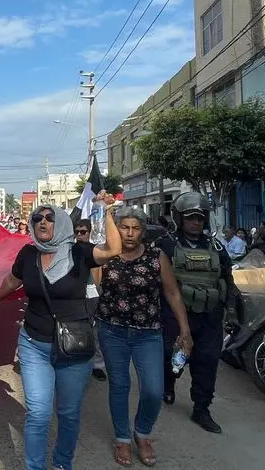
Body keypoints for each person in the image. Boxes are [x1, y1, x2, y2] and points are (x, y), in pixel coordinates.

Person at [0, 193, 121, 470]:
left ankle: (62, 463)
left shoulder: (79, 252)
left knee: (68, 413)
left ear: (60, 222)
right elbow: (13, 279)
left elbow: (113, 250)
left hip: (74, 346)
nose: (42, 222)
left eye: (49, 218)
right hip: (34, 343)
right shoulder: (28, 253)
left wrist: (106, 212)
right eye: (37, 218)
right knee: (38, 413)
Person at [96, 207, 193, 467]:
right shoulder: (105, 255)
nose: (129, 233)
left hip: (148, 333)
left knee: (153, 389)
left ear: (143, 230)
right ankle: (122, 439)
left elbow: (172, 293)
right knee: (120, 386)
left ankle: (142, 433)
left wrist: (185, 330)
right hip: (111, 330)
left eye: (135, 228)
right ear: (117, 229)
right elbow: (93, 288)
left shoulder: (156, 257)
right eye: (124, 227)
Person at [160, 192, 239, 434]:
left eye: (200, 218)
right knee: (173, 360)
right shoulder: (167, 244)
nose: (196, 222)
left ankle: (201, 409)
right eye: (191, 218)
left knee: (207, 362)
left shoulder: (216, 246)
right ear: (180, 218)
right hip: (176, 316)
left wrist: (232, 311)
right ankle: (169, 383)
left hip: (209, 317)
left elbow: (227, 278)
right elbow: (159, 282)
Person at [74, 219, 107, 383]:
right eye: (77, 232)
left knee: (94, 331)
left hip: (92, 294)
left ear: (89, 232)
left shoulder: (96, 250)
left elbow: (98, 274)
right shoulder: (70, 250)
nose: (79, 235)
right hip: (75, 295)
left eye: (83, 232)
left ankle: (97, 365)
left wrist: (96, 292)